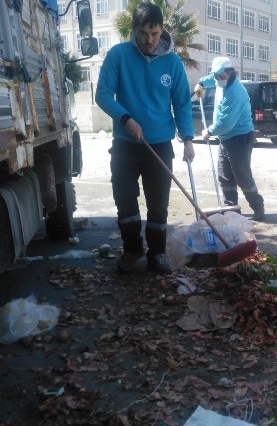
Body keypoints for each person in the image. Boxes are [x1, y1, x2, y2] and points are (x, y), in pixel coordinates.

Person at [95, 2, 195, 274]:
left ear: (161, 29)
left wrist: (187, 138)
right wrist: (125, 119)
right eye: (143, 33)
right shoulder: (118, 55)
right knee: (125, 199)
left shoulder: (172, 63)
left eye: (154, 33)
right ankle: (132, 248)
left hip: (159, 144)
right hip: (126, 145)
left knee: (158, 202)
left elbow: (182, 104)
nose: (149, 40)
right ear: (134, 31)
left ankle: (157, 253)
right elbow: (103, 94)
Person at [194, 57, 265, 221]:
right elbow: (211, 78)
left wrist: (209, 131)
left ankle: (258, 206)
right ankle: (231, 210)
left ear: (230, 72)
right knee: (224, 174)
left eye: (222, 76)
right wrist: (201, 84)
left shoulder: (235, 93)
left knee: (242, 175)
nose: (218, 79)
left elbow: (225, 123)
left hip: (240, 137)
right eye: (216, 76)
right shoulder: (220, 79)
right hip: (226, 138)